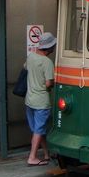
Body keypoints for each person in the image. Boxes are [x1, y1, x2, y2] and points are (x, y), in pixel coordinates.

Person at [25, 32, 56, 166]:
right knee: (39, 130)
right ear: (49, 47)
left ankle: (46, 154)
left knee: (38, 129)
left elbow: (25, 67)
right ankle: (32, 157)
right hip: (41, 101)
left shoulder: (31, 56)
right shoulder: (47, 62)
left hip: (29, 100)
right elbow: (49, 83)